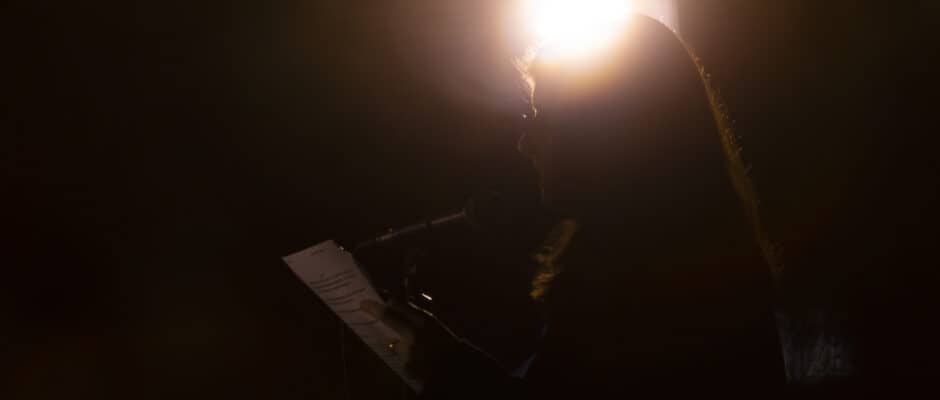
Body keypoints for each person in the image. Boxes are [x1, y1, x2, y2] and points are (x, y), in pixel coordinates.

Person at [362, 14, 785, 399]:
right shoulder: (696, 259)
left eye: (542, 117)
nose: (524, 143)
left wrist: (446, 371)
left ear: (606, 132)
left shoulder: (641, 287)